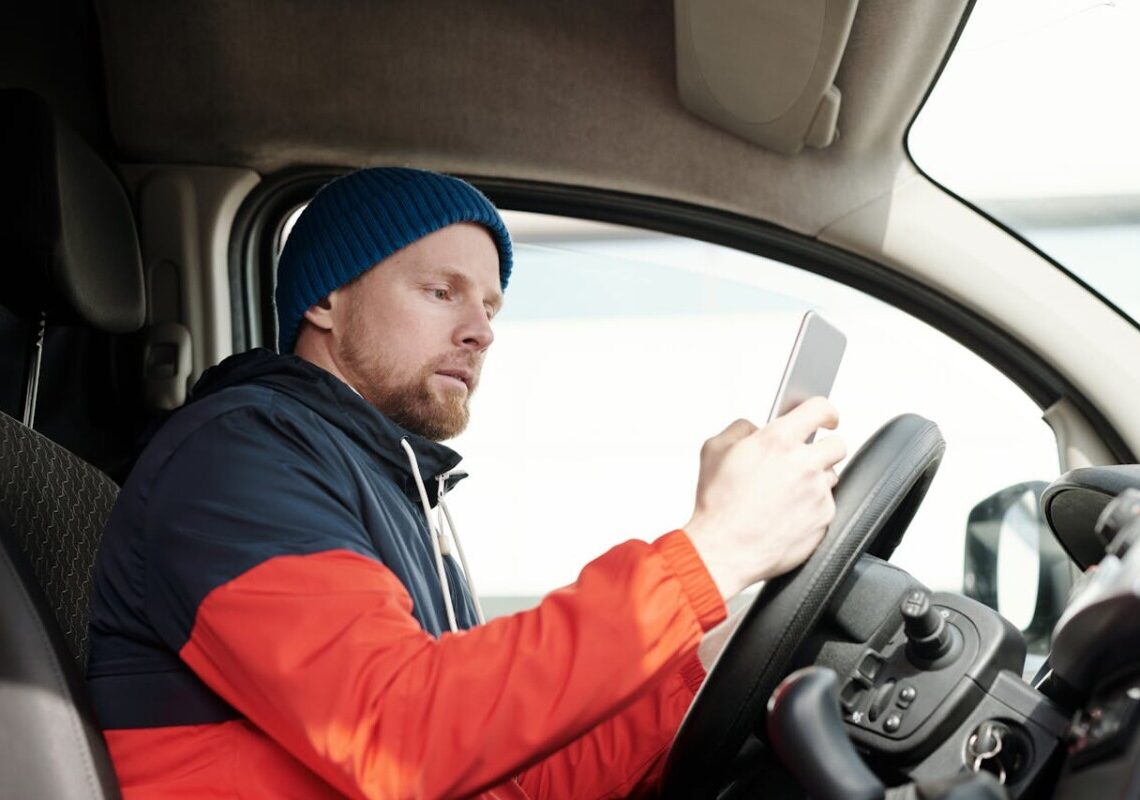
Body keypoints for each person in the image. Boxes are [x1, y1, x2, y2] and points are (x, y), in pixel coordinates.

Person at [87, 167, 846, 799]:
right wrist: (710, 556)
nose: (481, 329)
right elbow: (397, 735)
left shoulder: (392, 489)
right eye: (441, 292)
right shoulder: (236, 460)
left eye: (490, 305)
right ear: (326, 300)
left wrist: (704, 662)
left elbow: (500, 776)